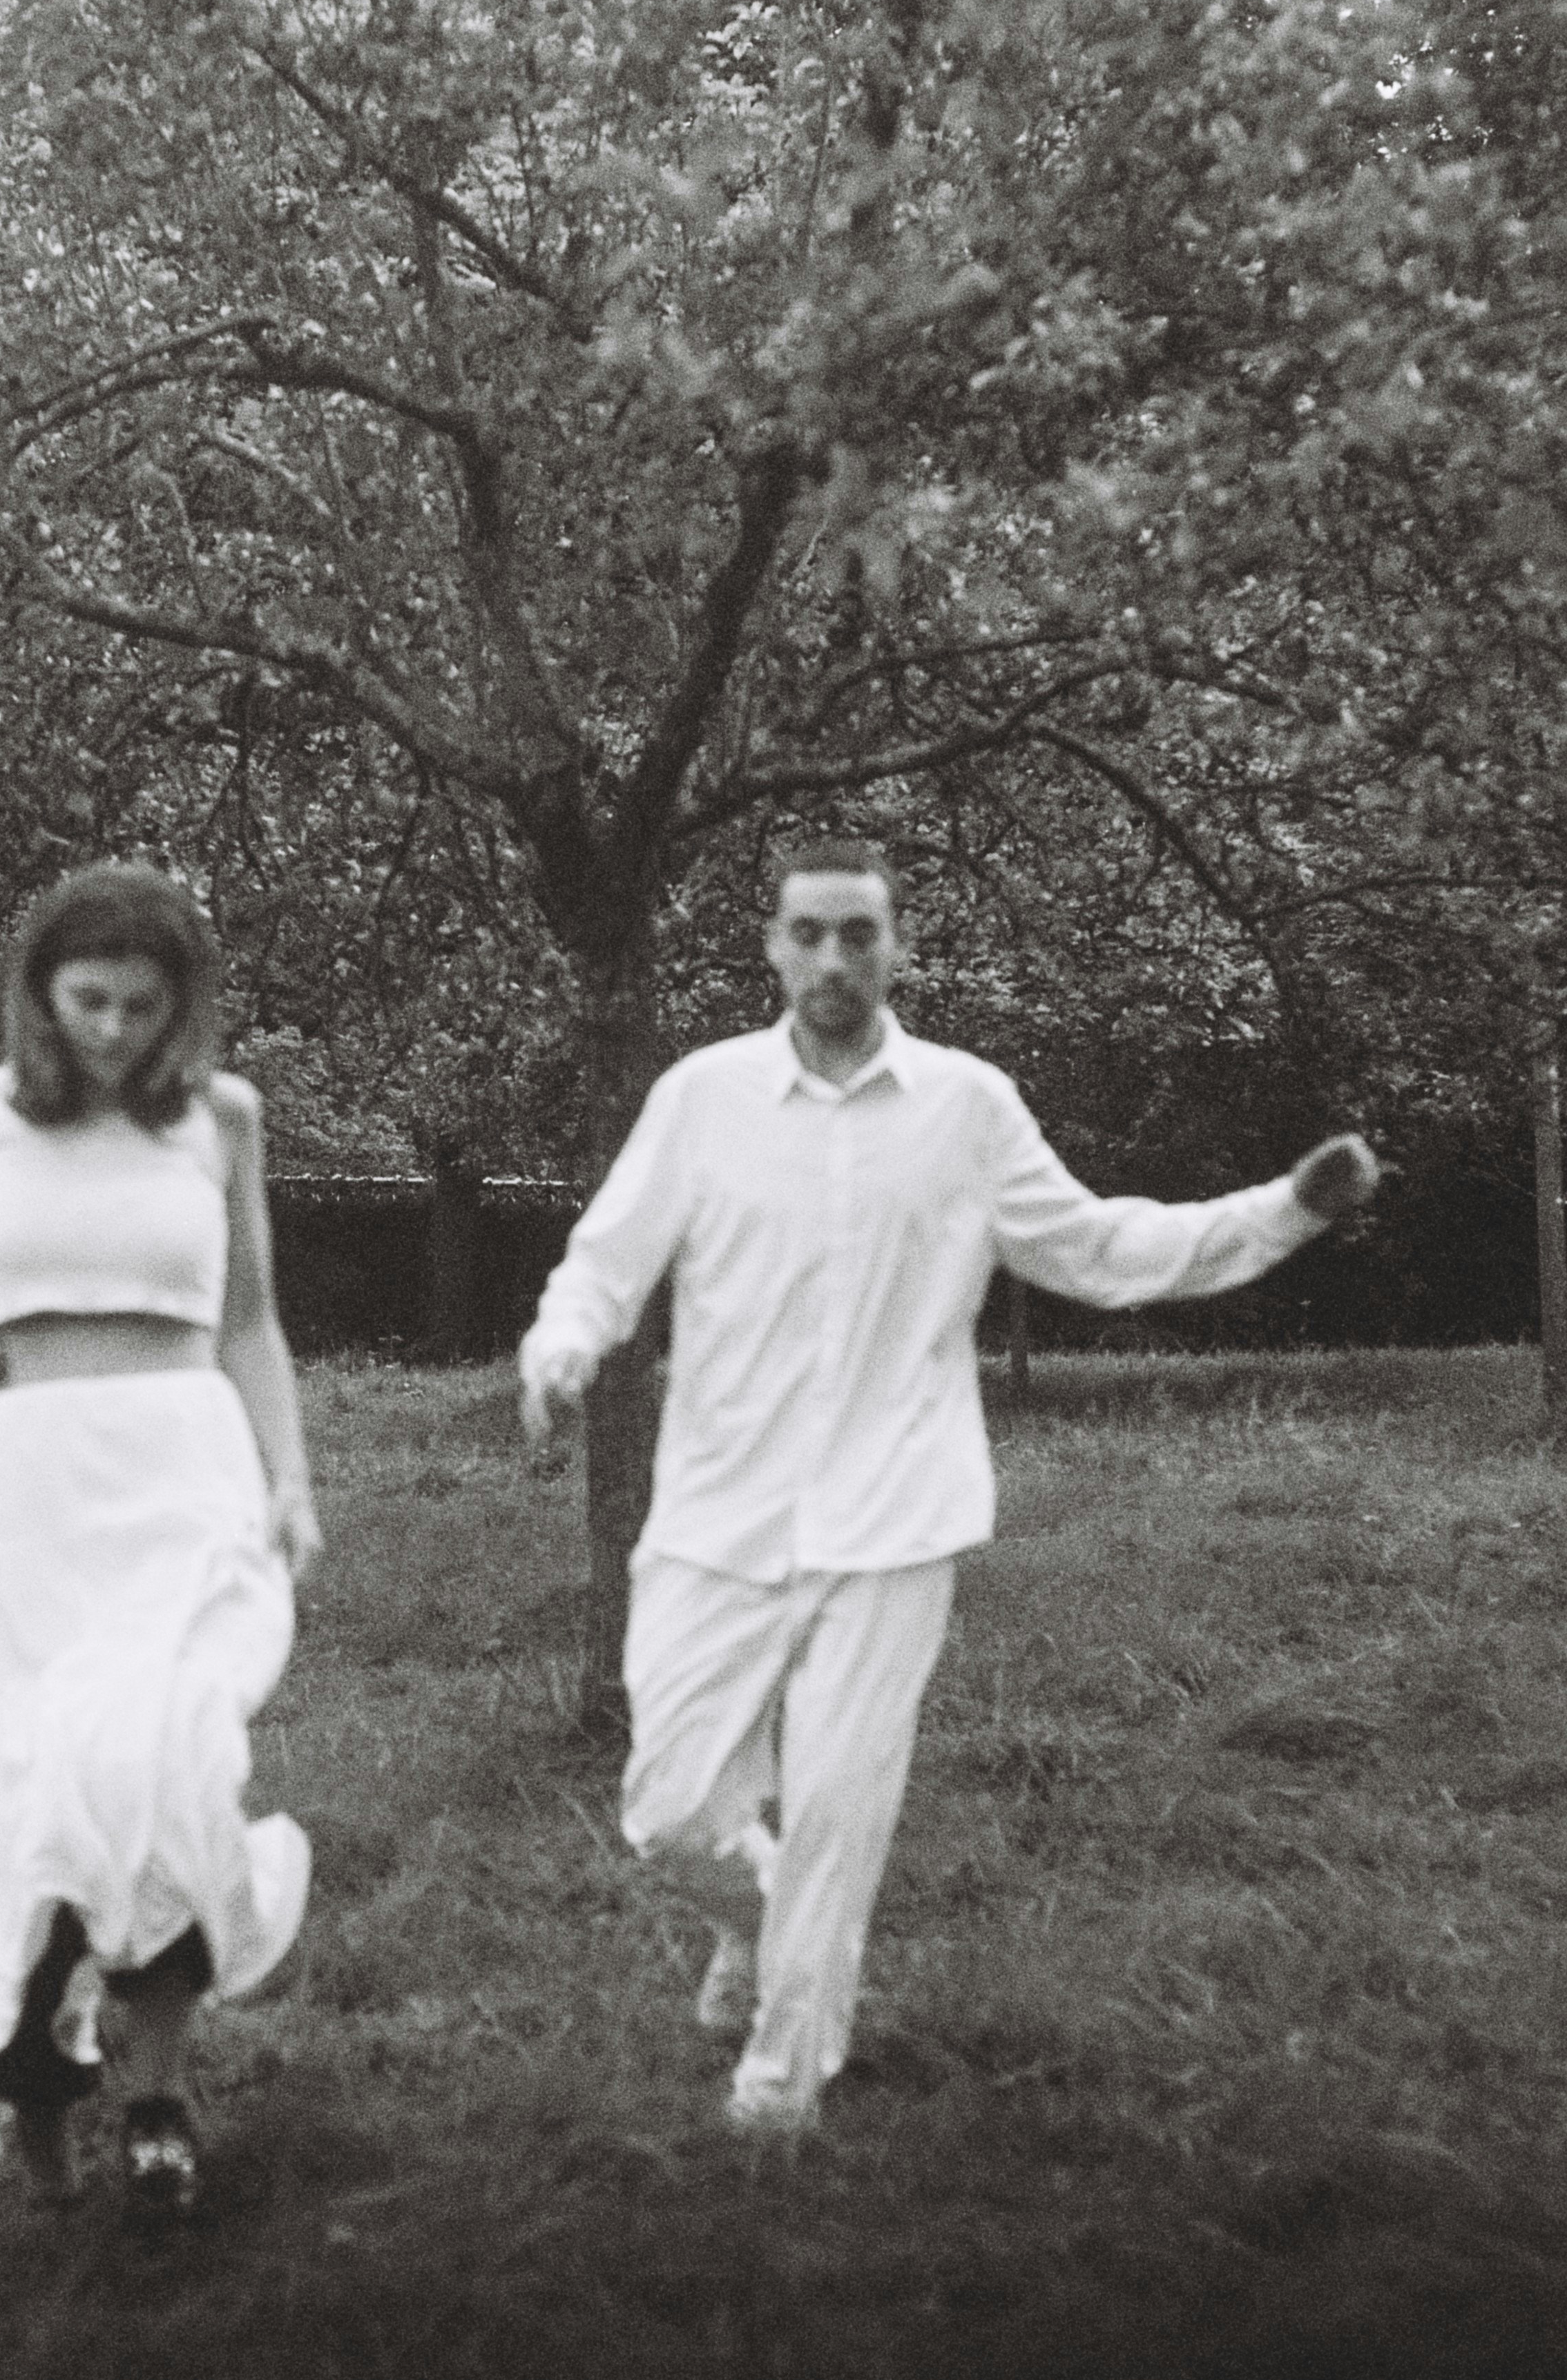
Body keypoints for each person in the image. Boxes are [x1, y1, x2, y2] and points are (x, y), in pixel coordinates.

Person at [517, 839, 1381, 2136]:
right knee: (670, 1812)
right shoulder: (701, 1098)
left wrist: (1280, 1213)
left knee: (834, 1818)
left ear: (897, 946)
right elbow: (607, 1256)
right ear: (770, 945)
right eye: (808, 932)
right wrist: (561, 1346)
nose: (832, 959)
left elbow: (1098, 1247)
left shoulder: (968, 1108)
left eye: (858, 934)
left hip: (894, 1518)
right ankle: (758, 1930)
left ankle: (780, 2093)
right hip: (715, 1513)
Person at [0, 861, 322, 2216]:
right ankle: (29, 2066)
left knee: (176, 1765)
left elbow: (251, 1320)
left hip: (185, 1475)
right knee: (51, 1786)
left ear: (178, 1004)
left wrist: (292, 1478)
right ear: (39, 991)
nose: (113, 1028)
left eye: (142, 1004)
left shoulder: (222, 1119)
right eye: (87, 999)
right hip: (39, 1485)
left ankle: (151, 2091)